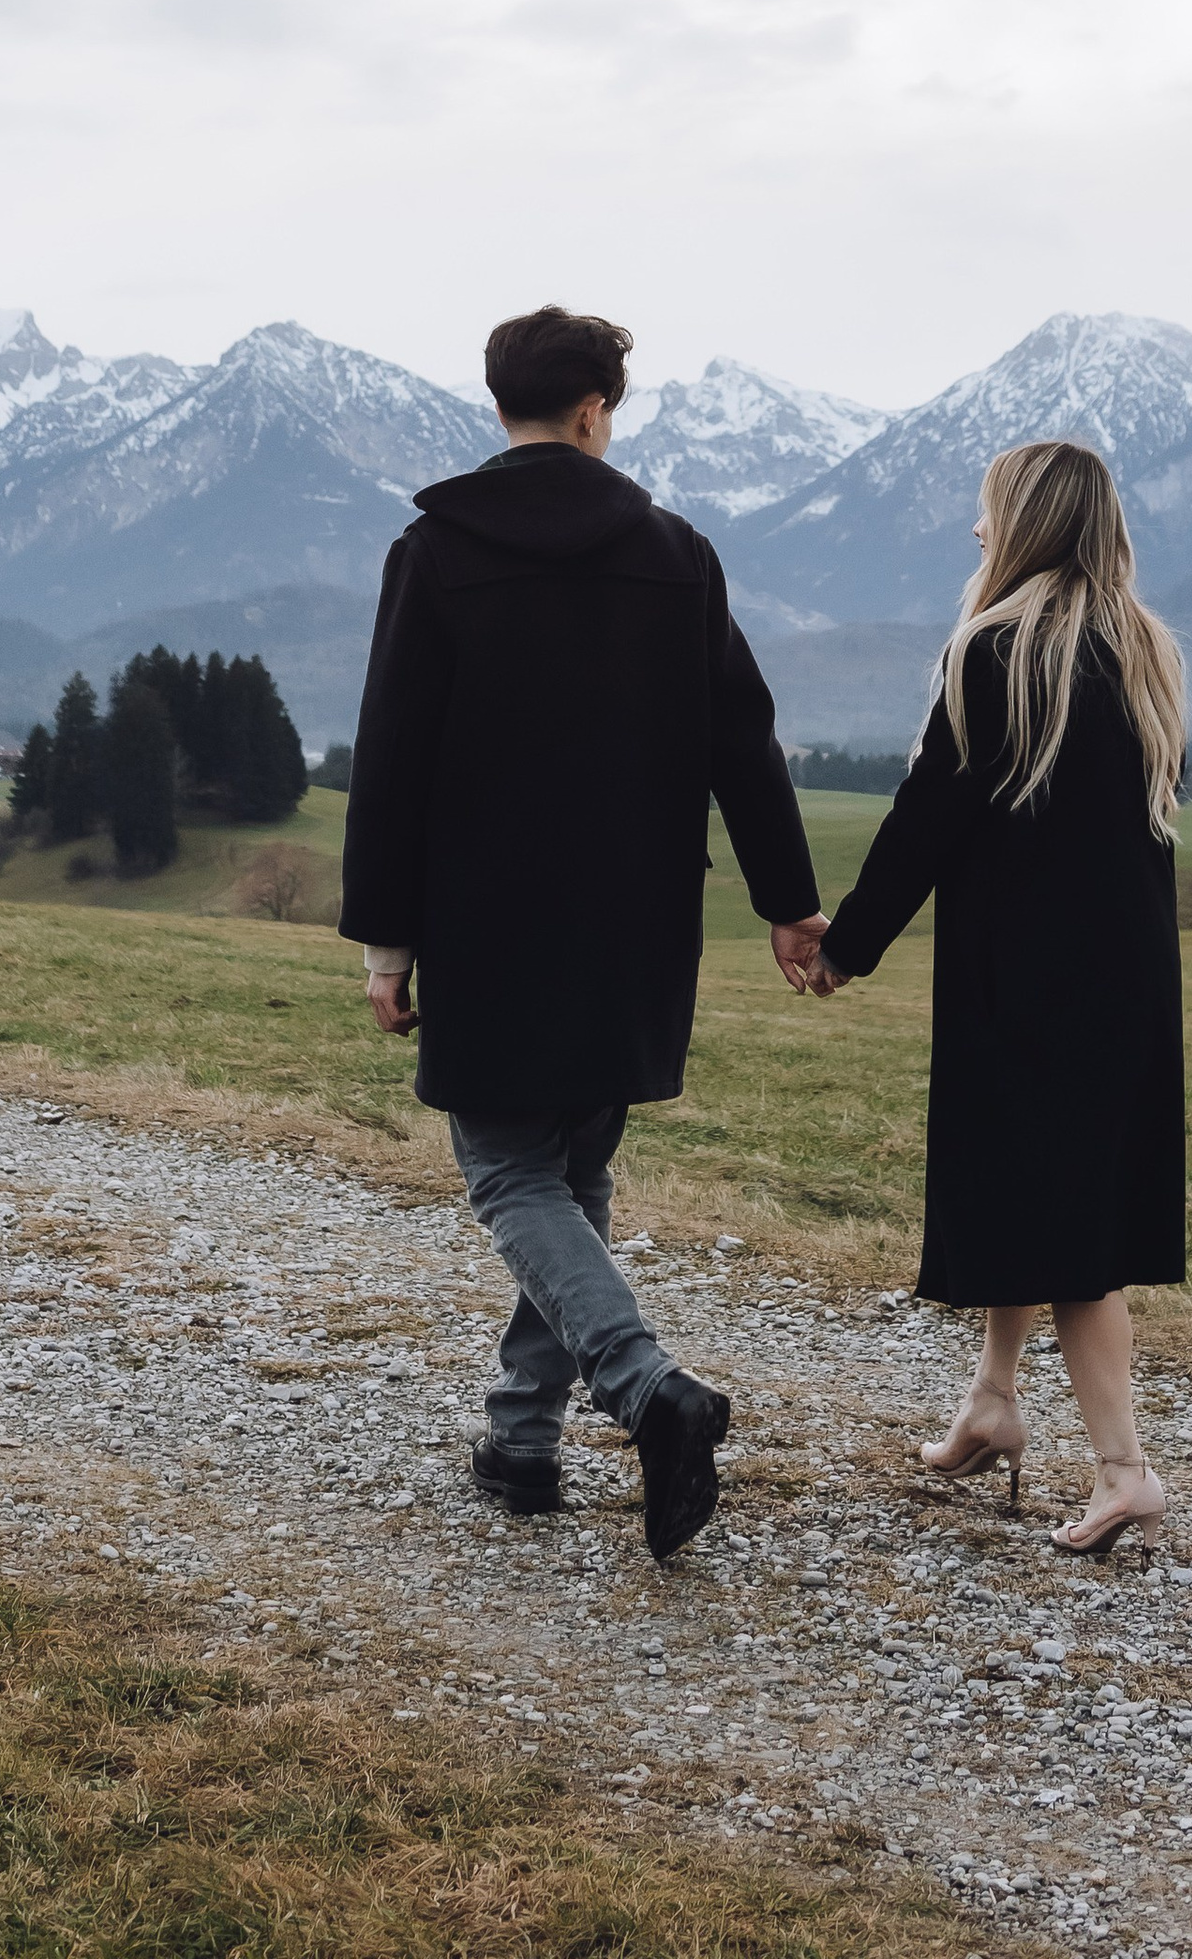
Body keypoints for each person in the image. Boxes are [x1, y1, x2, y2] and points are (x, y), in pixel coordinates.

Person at [340, 302, 827, 1560]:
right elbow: (742, 740)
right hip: (635, 919)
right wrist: (787, 901)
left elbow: (391, 756)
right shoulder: (677, 554)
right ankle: (519, 1440)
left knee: (508, 1170)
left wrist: (388, 943)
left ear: (500, 405)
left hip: (487, 918)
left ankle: (647, 1390)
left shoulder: (433, 555)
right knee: (574, 1171)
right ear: (594, 411)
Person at [803, 437, 1187, 1558]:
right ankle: (992, 1400)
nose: (974, 532)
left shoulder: (995, 651)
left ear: (1023, 525)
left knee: (1067, 1235)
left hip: (1022, 984)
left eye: (986, 513)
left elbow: (928, 815)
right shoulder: (1143, 649)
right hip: (1125, 984)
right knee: (1043, 1198)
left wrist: (847, 946)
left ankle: (1125, 1471)